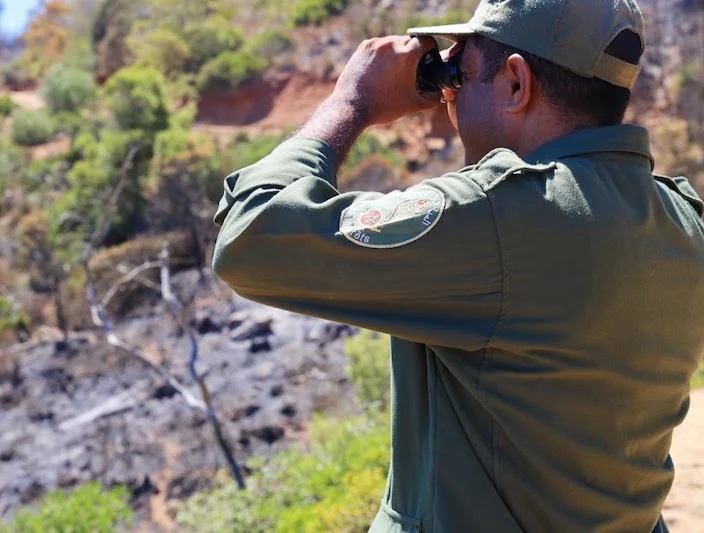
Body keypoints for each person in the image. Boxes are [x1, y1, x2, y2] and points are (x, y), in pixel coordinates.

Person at [212, 0, 704, 530]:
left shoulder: (505, 216)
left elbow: (251, 234)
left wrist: (352, 102)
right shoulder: (682, 222)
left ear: (516, 83)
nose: (449, 100)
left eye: (459, 76)